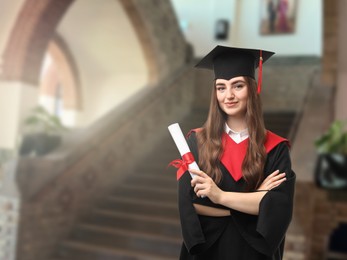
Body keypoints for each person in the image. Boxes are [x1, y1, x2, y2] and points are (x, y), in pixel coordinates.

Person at [172, 45, 296, 260]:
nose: (228, 95)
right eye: (221, 88)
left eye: (237, 86)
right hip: (207, 252)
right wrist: (254, 201)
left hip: (253, 253)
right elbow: (190, 205)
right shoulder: (197, 142)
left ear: (252, 88)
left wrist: (219, 196)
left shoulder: (276, 149)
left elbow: (278, 211)